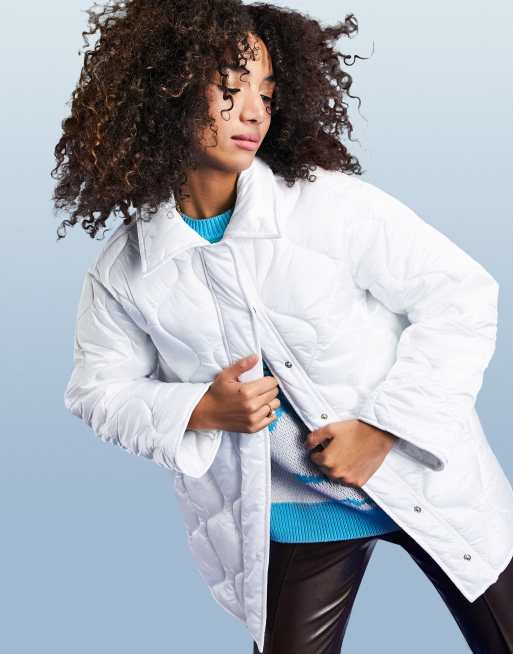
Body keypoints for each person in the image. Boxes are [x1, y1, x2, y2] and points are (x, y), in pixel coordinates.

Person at [54, 1, 513, 652]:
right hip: (294, 514)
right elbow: (97, 390)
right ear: (167, 90)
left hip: (428, 482)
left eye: (266, 95)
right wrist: (200, 408)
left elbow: (459, 296)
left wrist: (384, 429)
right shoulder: (126, 270)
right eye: (230, 89)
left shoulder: (329, 206)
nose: (253, 113)